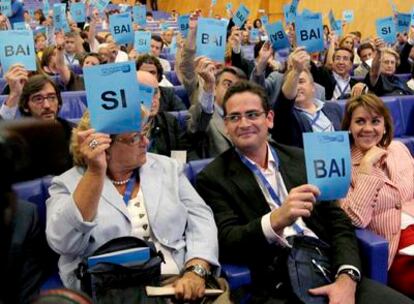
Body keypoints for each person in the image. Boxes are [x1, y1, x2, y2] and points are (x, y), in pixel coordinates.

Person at [195, 80, 414, 304]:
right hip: (277, 280)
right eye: (234, 117)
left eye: (252, 114)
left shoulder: (300, 158)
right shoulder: (213, 178)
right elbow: (228, 241)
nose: (244, 123)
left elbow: (339, 223)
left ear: (269, 119)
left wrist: (347, 278)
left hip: (328, 265)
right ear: (226, 126)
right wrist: (276, 220)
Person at [45, 111, 219, 301]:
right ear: (105, 146)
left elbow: (201, 219)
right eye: (135, 138)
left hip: (178, 282)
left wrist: (196, 269)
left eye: (145, 132)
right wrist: (95, 172)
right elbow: (63, 243)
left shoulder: (167, 167)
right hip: (110, 290)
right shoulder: (67, 184)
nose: (146, 142)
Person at [340, 93, 414, 297]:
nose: (368, 129)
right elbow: (355, 218)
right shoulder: (341, 164)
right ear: (349, 126)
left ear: (385, 126)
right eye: (360, 121)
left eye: (375, 121)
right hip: (394, 245)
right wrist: (365, 167)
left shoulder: (398, 148)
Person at [271, 50, 342, 148]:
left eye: (301, 81)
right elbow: (285, 100)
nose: (297, 87)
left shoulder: (333, 108)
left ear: (313, 87)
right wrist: (296, 71)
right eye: (293, 84)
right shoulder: (285, 115)